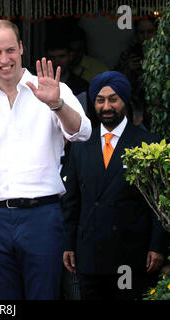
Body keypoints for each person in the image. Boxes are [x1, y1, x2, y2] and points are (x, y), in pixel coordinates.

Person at [0, 19, 92, 300]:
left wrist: (57, 104)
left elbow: (83, 132)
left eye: (9, 50)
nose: (4, 59)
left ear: (21, 48)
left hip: (41, 217)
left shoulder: (51, 89)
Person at [62, 71, 166, 300]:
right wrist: (68, 244)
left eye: (113, 99)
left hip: (129, 256)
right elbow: (72, 199)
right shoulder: (81, 143)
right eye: (100, 100)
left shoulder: (148, 144)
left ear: (125, 101)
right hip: (90, 255)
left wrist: (157, 246)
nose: (106, 106)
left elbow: (159, 203)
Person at [115, 17, 158, 128]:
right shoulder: (129, 54)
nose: (146, 36)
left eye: (150, 32)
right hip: (133, 110)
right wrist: (128, 68)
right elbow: (117, 83)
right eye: (141, 32)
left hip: (158, 109)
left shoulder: (163, 55)